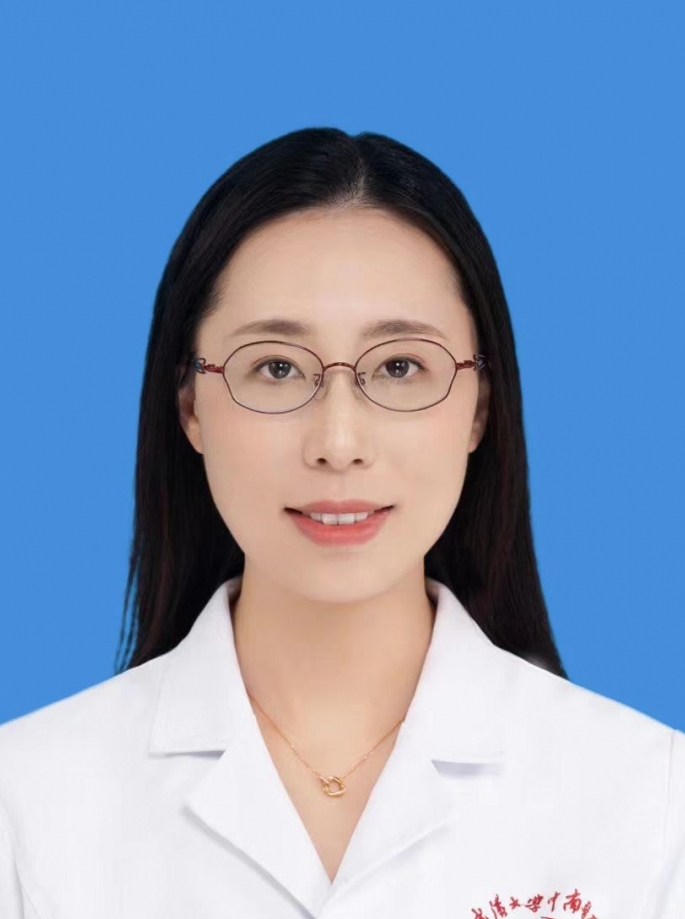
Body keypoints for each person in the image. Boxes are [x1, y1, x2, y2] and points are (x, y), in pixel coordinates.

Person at [0, 128, 682, 918]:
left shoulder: (649, 800)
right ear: (189, 404)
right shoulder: (27, 803)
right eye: (275, 367)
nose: (337, 443)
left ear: (479, 408)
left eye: (399, 366)